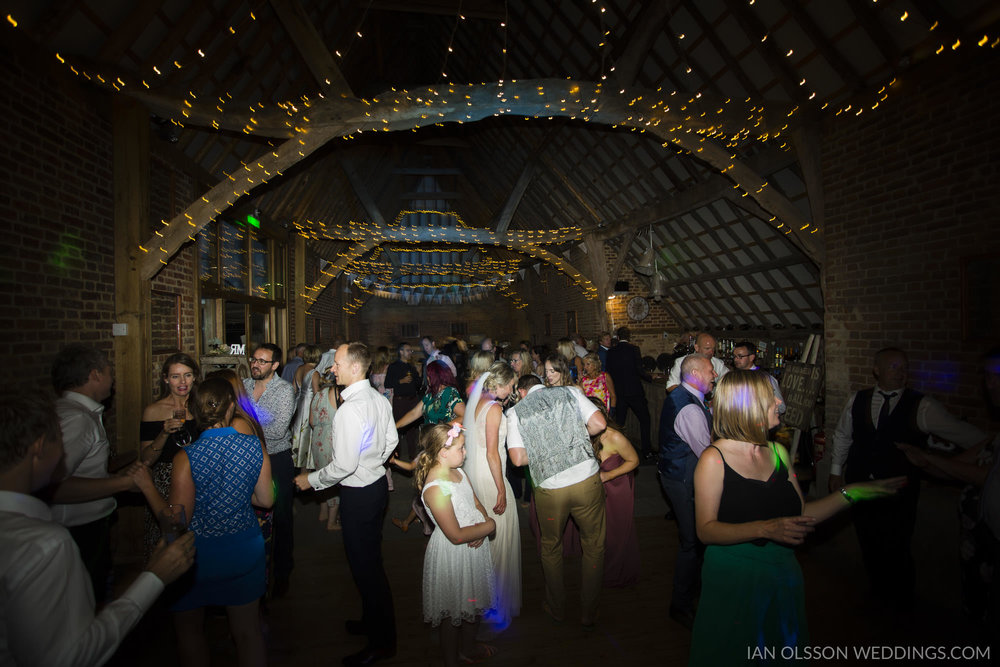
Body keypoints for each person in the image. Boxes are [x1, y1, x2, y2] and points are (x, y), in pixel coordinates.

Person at [690, 371, 905, 665]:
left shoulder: (778, 452)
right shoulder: (713, 459)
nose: (780, 402)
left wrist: (852, 492)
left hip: (782, 574)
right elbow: (706, 530)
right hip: (736, 577)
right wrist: (766, 528)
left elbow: (800, 515)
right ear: (748, 405)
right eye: (771, 397)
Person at [0, 390, 195, 667]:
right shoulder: (45, 544)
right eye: (60, 440)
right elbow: (72, 656)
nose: (64, 451)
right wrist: (154, 577)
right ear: (40, 447)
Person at [828, 347, 988, 602]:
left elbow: (963, 434)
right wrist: (836, 471)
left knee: (897, 544)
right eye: (894, 367)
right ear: (877, 370)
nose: (900, 373)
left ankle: (900, 600)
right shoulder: (857, 400)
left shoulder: (921, 405)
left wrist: (990, 448)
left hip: (898, 490)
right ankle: (877, 592)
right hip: (860, 483)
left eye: (904, 368)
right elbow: (843, 436)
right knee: (867, 539)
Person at [134, 377, 273, 667]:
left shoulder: (187, 457)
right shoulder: (253, 446)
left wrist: (147, 487)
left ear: (194, 412)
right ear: (231, 407)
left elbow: (176, 521)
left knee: (189, 631)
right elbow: (265, 500)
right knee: (248, 633)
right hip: (244, 549)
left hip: (199, 556)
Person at [294, 343, 398, 667]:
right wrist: (372, 462)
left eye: (337, 364)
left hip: (361, 494)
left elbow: (343, 466)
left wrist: (309, 480)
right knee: (369, 562)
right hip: (375, 487)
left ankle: (382, 644)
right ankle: (371, 622)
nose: (331, 369)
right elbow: (392, 441)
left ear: (355, 368)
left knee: (367, 570)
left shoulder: (350, 409)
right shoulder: (377, 399)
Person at [507, 374, 607, 627]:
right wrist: (571, 441)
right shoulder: (570, 392)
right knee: (594, 546)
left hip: (551, 489)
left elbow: (517, 459)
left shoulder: (516, 411)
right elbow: (598, 424)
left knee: (551, 547)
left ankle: (557, 607)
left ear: (521, 391)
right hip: (586, 479)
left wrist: (545, 451)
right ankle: (589, 611)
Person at [47, 344, 142, 604]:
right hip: (76, 530)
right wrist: (123, 483)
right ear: (95, 374)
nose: (113, 380)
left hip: (82, 528)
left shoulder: (76, 413)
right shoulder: (76, 419)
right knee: (85, 601)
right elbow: (54, 485)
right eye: (110, 372)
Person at [416, 423, 498, 667]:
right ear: (443, 451)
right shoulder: (435, 489)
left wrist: (481, 524)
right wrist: (490, 526)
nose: (465, 453)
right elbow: (455, 535)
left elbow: (476, 504)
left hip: (474, 547)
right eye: (461, 448)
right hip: (453, 554)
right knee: (452, 613)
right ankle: (452, 658)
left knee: (472, 602)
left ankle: (469, 648)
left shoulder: (459, 472)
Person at [657, 354, 716, 628]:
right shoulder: (689, 407)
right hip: (681, 478)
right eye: (709, 370)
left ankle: (695, 590)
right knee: (691, 541)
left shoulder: (685, 396)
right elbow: (707, 453)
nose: (714, 374)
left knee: (695, 540)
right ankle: (680, 604)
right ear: (694, 374)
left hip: (679, 475)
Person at [464, 361, 522, 629]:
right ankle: (494, 604)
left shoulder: (477, 402)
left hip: (474, 475)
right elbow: (491, 452)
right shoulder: (495, 408)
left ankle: (480, 598)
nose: (512, 390)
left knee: (485, 539)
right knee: (499, 539)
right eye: (511, 385)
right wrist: (501, 488)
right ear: (500, 383)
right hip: (489, 476)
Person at [244, 342, 296, 597]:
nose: (255, 364)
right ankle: (252, 572)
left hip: (276, 459)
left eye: (262, 361)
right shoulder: (241, 386)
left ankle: (282, 572)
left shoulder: (284, 390)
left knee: (282, 516)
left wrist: (244, 421)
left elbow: (277, 432)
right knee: (249, 515)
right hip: (246, 457)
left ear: (275, 365)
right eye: (254, 359)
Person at [392, 360, 466, 534]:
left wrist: (440, 430)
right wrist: (394, 427)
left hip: (443, 445)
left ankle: (446, 524)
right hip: (430, 444)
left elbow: (465, 414)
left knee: (435, 484)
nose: (425, 377)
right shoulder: (430, 394)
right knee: (427, 484)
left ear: (434, 375)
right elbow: (413, 414)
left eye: (427, 374)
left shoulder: (450, 392)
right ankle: (421, 520)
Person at [139, 353, 201, 560]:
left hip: (198, 479)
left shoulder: (201, 408)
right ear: (166, 379)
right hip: (165, 481)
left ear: (195, 377)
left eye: (188, 375)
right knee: (166, 543)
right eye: (176, 376)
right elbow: (146, 460)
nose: (182, 382)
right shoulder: (153, 411)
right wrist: (164, 433)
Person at [605, 326, 653, 460]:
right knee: (645, 420)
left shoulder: (611, 352)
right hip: (634, 391)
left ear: (618, 337)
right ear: (629, 337)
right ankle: (647, 450)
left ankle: (618, 452)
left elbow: (609, 370)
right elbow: (639, 370)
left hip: (619, 392)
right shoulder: (634, 350)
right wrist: (650, 378)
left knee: (619, 423)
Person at [308, 351, 341, 529]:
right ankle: (331, 522)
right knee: (334, 480)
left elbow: (312, 421)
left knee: (321, 478)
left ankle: (322, 512)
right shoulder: (337, 394)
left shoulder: (317, 395)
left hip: (317, 440)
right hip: (332, 440)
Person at [385, 342, 422, 459]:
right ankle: (396, 457)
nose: (410, 352)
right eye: (408, 350)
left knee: (412, 431)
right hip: (400, 401)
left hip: (412, 400)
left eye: (411, 350)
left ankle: (413, 458)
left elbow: (418, 385)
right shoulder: (394, 366)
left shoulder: (411, 367)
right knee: (398, 428)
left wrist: (419, 374)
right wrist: (400, 381)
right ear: (401, 352)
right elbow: (387, 383)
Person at [291, 345, 323, 470]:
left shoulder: (299, 368)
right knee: (307, 435)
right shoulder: (314, 373)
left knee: (298, 434)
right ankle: (306, 468)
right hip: (308, 406)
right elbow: (316, 394)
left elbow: (293, 389)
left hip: (299, 404)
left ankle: (298, 462)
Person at [732, 341, 784, 414]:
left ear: (751, 357)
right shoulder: (732, 378)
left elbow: (781, 407)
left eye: (740, 356)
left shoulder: (765, 378)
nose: (735, 359)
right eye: (734, 356)